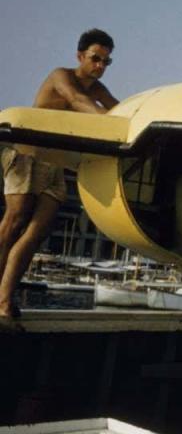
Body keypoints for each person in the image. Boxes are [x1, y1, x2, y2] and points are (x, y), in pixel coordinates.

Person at [0, 29, 118, 328]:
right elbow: (75, 99)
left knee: (36, 233)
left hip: (57, 164)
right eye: (95, 59)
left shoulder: (99, 89)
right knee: (13, 224)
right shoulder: (61, 75)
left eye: (106, 61)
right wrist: (105, 121)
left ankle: (4, 300)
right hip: (28, 154)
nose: (100, 66)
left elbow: (118, 109)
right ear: (80, 56)